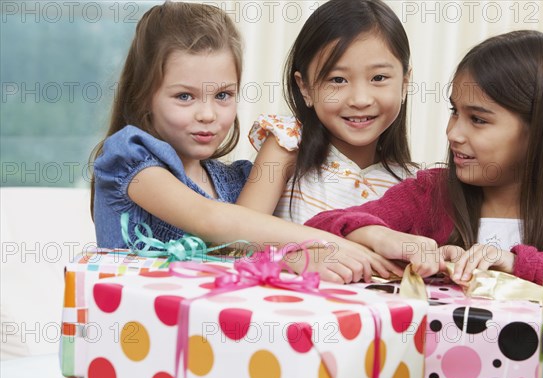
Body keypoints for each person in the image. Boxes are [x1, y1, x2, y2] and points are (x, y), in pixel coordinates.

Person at [90, 2, 402, 284]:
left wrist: (295, 256)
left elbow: (239, 257)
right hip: (131, 336)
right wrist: (323, 243)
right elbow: (210, 220)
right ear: (145, 95)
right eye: (184, 96)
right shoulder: (130, 158)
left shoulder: (236, 181)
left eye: (223, 95)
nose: (208, 114)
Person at [305, 30, 543, 285]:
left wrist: (515, 264)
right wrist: (379, 236)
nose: (453, 132)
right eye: (455, 111)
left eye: (478, 120)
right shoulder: (432, 193)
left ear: (542, 130)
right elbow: (317, 229)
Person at [237, 0, 416, 224]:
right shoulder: (289, 144)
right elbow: (238, 234)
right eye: (338, 80)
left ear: (404, 83)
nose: (360, 100)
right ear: (306, 88)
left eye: (378, 78)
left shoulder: (409, 183)